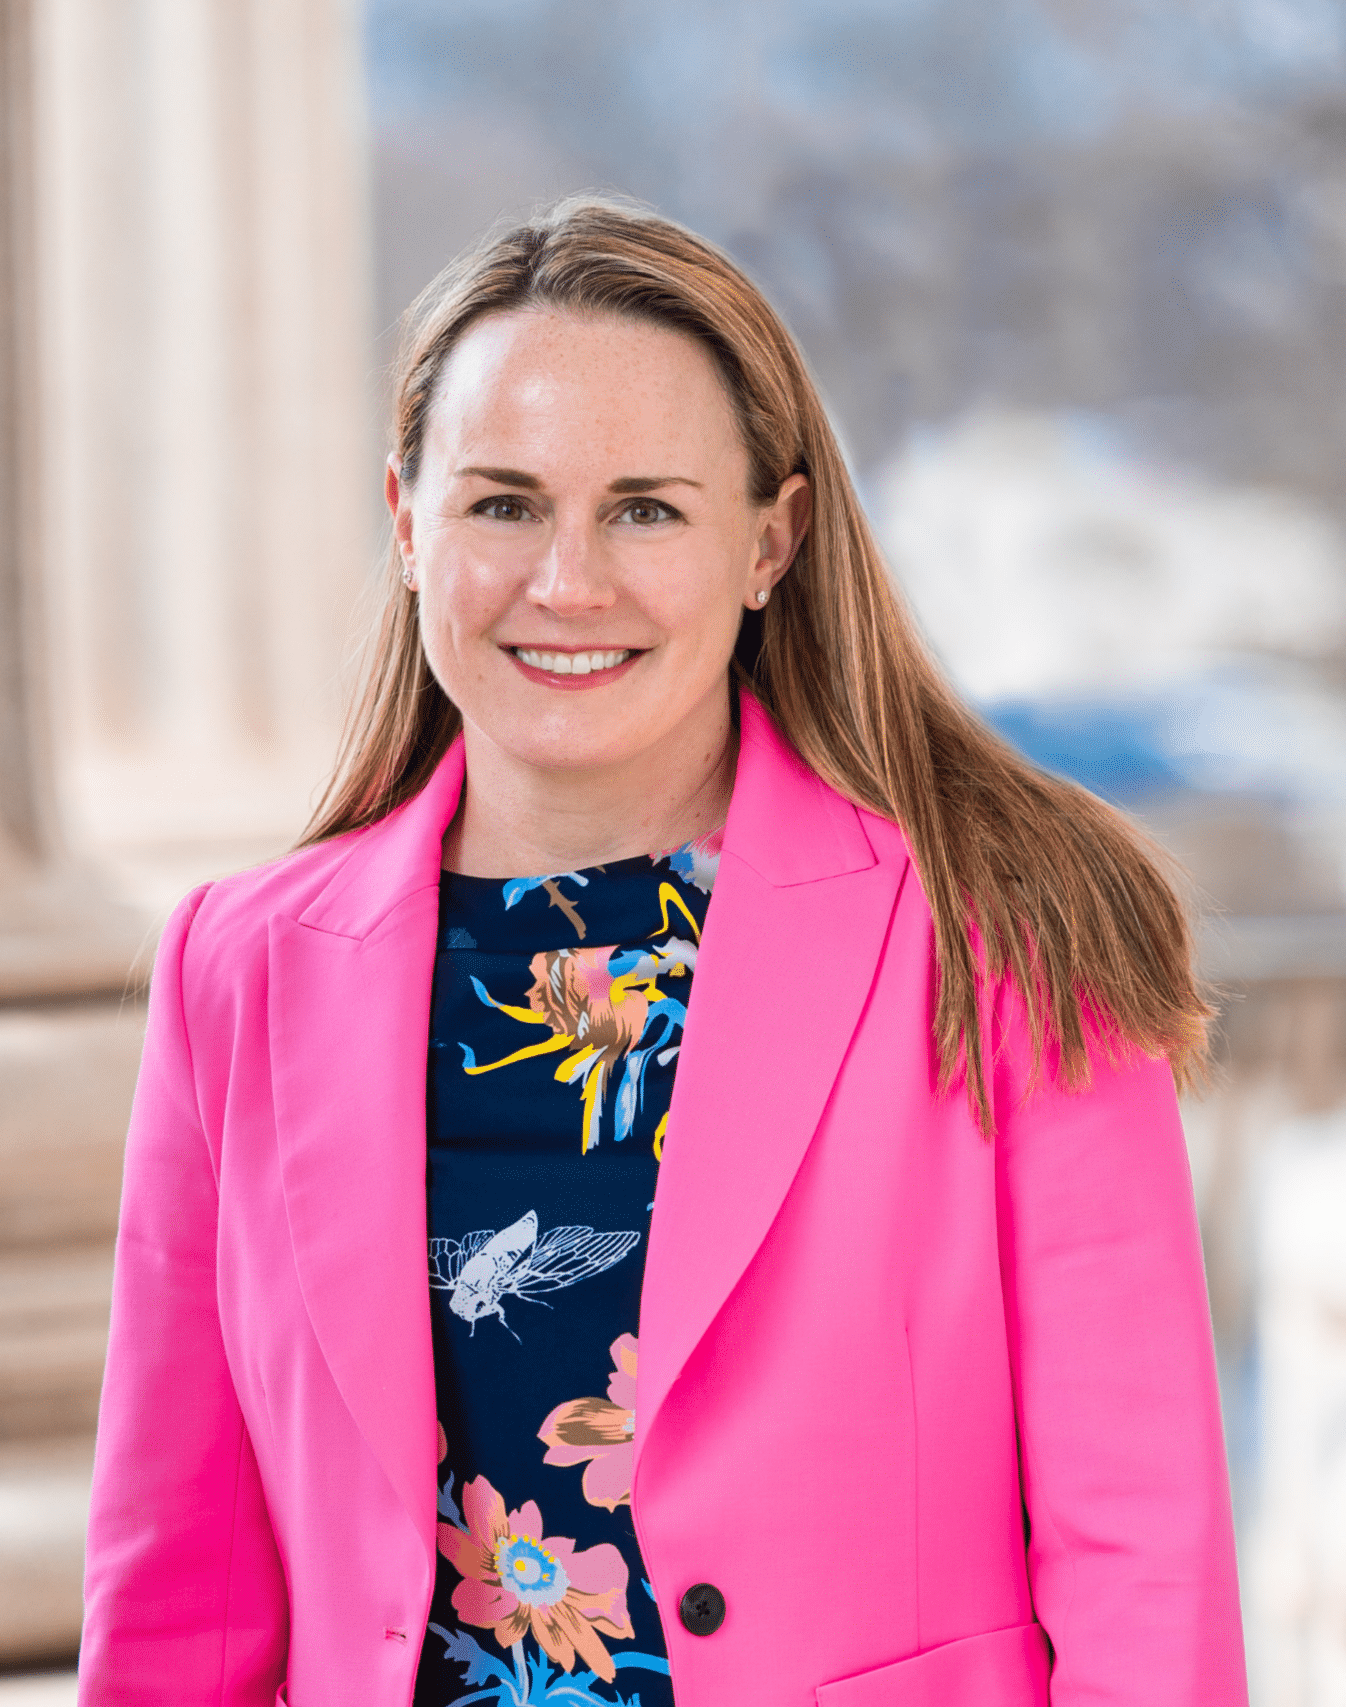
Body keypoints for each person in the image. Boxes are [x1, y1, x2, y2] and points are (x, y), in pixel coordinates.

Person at [79, 196, 1246, 1707]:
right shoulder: (235, 972)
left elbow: (1142, 1546)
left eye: (645, 508)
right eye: (503, 503)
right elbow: (181, 1581)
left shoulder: (1006, 924)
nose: (568, 580)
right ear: (407, 524)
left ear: (773, 538)